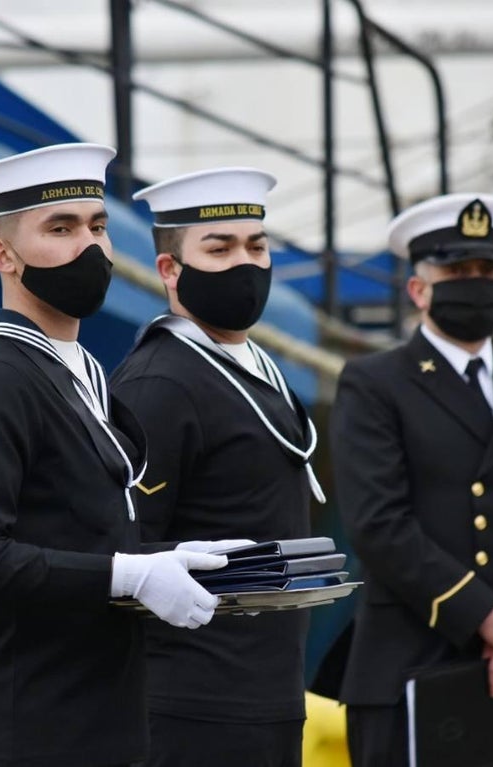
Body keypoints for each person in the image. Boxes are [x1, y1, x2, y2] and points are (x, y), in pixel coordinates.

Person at [0, 143, 228, 767]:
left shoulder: (77, 371)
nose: (88, 248)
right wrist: (130, 575)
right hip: (25, 729)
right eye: (60, 229)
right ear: (2, 254)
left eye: (97, 227)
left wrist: (165, 560)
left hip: (100, 718)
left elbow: (73, 532)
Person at [330, 193, 493, 766]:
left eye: (488, 270)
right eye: (457, 271)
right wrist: (486, 619)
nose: (476, 282)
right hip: (414, 668)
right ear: (419, 290)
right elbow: (379, 525)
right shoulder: (376, 384)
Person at [112, 167, 325, 767]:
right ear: (169, 270)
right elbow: (125, 546)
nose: (246, 263)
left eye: (257, 246)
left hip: (265, 695)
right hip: (191, 707)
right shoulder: (161, 382)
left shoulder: (252, 366)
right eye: (220, 247)